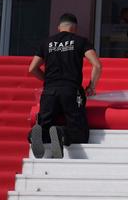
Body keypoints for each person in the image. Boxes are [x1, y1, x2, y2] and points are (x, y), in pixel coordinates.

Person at [27, 13, 100, 159]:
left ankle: (36, 135)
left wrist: (48, 80)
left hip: (49, 91)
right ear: (74, 28)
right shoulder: (80, 41)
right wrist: (91, 86)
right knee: (80, 132)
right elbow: (97, 65)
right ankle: (61, 132)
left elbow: (32, 68)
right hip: (71, 90)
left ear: (59, 27)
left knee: (45, 124)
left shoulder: (46, 43)